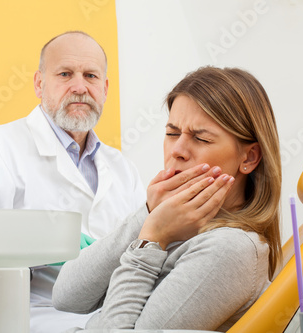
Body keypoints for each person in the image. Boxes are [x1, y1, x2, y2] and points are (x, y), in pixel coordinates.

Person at [0, 31, 147, 332]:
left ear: (105, 88)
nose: (79, 87)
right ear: (39, 83)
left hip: (116, 315)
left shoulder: (123, 169)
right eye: (65, 74)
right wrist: (31, 247)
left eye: (91, 76)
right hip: (30, 317)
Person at [52, 66, 282, 331]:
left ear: (249, 158)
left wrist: (151, 240)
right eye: (172, 133)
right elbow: (66, 297)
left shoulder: (229, 249)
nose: (178, 150)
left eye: (201, 138)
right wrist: (149, 213)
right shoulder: (178, 225)